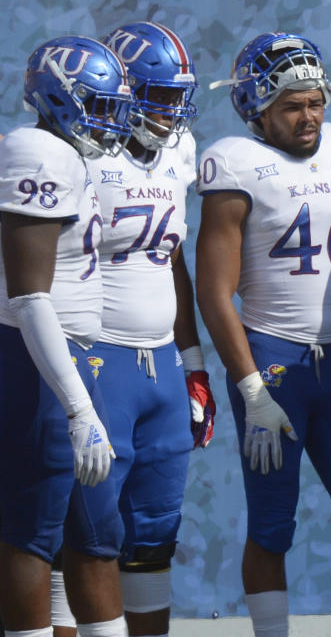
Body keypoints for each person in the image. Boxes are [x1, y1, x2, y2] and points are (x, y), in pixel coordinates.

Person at [195, 32, 331, 637]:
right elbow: (214, 292)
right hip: (271, 361)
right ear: (257, 108)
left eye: (315, 102)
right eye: (292, 105)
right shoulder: (234, 164)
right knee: (272, 526)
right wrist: (252, 388)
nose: (309, 116)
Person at [0, 35, 134, 637]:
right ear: (58, 98)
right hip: (38, 361)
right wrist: (77, 407)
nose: (111, 122)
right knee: (31, 532)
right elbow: (29, 297)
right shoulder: (34, 151)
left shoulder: (66, 155)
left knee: (97, 534)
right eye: (98, 106)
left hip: (78, 357)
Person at [84, 21, 215, 637]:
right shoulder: (79, 153)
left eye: (177, 96)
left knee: (156, 532)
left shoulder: (180, 149)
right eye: (160, 96)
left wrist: (192, 361)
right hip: (97, 355)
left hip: (160, 361)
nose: (172, 111)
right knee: (88, 530)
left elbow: (174, 257)